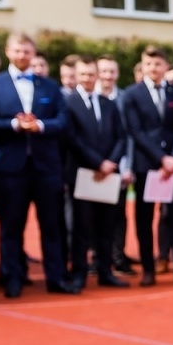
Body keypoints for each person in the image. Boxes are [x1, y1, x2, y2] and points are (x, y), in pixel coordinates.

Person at [0, 33, 76, 297]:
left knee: (51, 227)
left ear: (33, 54)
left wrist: (40, 126)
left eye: (27, 51)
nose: (22, 55)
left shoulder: (50, 86)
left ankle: (56, 278)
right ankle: (13, 277)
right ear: (8, 52)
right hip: (11, 168)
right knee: (11, 226)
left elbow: (62, 122)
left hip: (46, 168)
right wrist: (15, 124)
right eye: (18, 51)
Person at [121, 46, 173, 287]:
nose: (153, 69)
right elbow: (135, 131)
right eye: (148, 64)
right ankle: (148, 270)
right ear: (143, 67)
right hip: (148, 166)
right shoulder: (132, 95)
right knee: (144, 219)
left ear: (165, 66)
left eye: (158, 64)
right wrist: (161, 158)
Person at [64, 56, 128, 290]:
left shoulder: (108, 103)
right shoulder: (68, 103)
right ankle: (79, 272)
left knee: (106, 225)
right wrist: (98, 162)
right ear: (77, 76)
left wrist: (110, 162)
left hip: (108, 174)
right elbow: (72, 138)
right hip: (83, 173)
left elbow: (121, 136)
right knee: (81, 227)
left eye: (92, 74)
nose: (88, 79)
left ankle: (105, 271)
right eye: (83, 74)